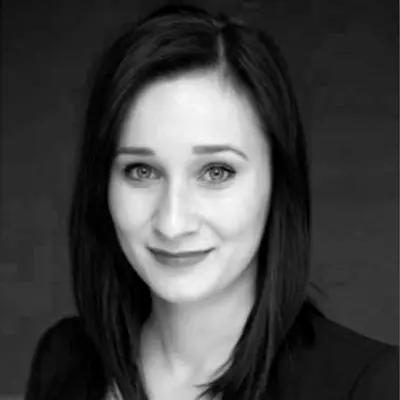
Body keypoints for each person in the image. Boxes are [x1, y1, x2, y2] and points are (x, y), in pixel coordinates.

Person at [25, 4, 398, 400]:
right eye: (141, 171)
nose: (172, 223)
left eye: (216, 172)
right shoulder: (65, 362)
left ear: (278, 182)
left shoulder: (370, 386)